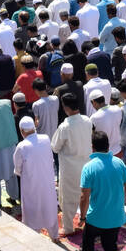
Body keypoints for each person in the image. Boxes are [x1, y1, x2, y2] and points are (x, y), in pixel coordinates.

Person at [78, 129, 126, 251]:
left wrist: (82, 216)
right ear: (108, 146)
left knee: (87, 244)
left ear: (92, 147)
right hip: (114, 217)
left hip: (95, 217)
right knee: (111, 250)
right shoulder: (119, 163)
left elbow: (84, 197)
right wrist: (121, 202)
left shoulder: (89, 167)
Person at [51, 93, 92, 233]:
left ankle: (68, 228)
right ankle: (89, 223)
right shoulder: (87, 120)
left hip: (70, 169)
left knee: (68, 199)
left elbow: (55, 147)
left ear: (65, 107)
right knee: (87, 195)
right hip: (87, 165)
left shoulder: (65, 126)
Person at [12, 116, 58, 241]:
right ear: (34, 127)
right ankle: (54, 236)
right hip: (47, 180)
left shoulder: (22, 146)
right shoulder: (45, 139)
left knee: (32, 209)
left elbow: (17, 168)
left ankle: (33, 238)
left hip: (31, 183)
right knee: (50, 207)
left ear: (22, 131)